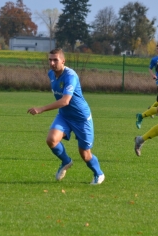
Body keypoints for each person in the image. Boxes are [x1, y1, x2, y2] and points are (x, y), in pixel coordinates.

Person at [27, 48, 104, 185]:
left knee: (85, 154)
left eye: (55, 60)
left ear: (63, 61)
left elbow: (65, 101)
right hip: (64, 116)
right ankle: (66, 161)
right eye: (50, 60)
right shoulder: (51, 74)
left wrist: (41, 109)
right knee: (51, 140)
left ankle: (99, 174)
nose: (51, 63)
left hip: (81, 118)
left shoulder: (70, 76)